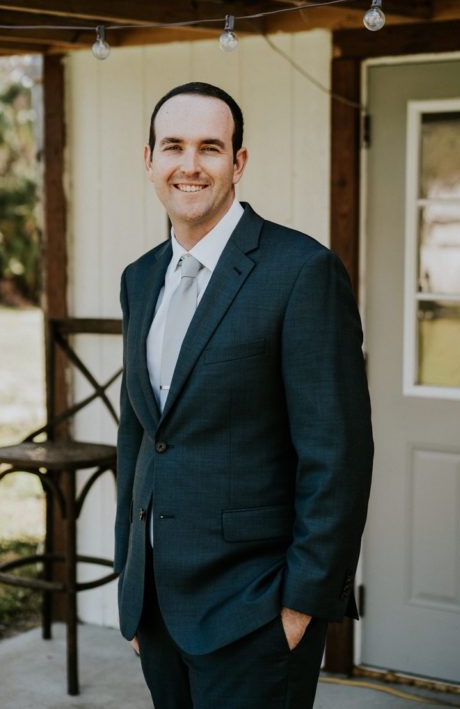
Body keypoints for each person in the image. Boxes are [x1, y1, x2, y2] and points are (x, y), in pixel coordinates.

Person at [114, 81, 374, 708]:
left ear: (239, 162)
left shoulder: (301, 272)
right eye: (173, 146)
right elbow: (140, 433)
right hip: (156, 607)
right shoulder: (141, 277)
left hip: (254, 607)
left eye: (211, 147)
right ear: (148, 159)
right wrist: (131, 580)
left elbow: (337, 454)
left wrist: (300, 605)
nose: (190, 165)